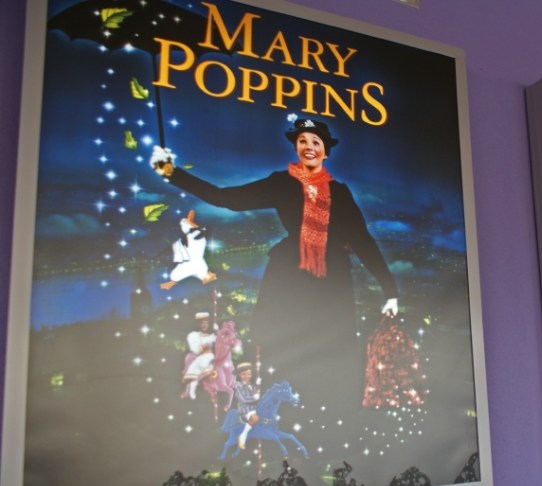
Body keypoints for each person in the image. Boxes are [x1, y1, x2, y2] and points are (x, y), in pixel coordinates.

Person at [151, 116, 398, 414]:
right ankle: (276, 413)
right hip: (289, 277)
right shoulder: (282, 183)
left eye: (315, 142)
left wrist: (390, 290)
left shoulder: (340, 192)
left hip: (331, 282)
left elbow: (362, 239)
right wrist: (172, 173)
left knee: (332, 354)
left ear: (325, 151)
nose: (308, 146)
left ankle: (329, 417)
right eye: (302, 141)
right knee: (280, 351)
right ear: (296, 148)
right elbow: (227, 199)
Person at [182, 311, 217, 399]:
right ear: (198, 324)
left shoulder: (211, 336)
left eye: (206, 323)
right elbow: (196, 350)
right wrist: (208, 342)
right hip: (202, 358)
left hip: (212, 357)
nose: (205, 325)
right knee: (207, 365)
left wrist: (218, 332)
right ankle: (194, 382)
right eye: (202, 323)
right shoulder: (193, 336)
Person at [232, 362, 260, 449]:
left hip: (255, 408)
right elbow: (243, 400)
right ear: (240, 375)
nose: (246, 376)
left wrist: (258, 389)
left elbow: (258, 398)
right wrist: (255, 398)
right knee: (255, 418)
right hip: (245, 409)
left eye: (249, 374)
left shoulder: (253, 386)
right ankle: (243, 436)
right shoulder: (238, 385)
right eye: (244, 374)